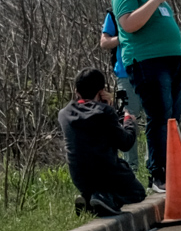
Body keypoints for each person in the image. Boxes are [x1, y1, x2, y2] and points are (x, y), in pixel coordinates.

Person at [111, 0, 181, 193]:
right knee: (159, 117)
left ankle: (174, 168)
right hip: (147, 62)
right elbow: (128, 24)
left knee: (173, 117)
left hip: (172, 58)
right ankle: (158, 173)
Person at [58, 68, 146, 216]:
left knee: (93, 180)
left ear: (76, 91)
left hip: (80, 178)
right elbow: (125, 143)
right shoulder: (104, 112)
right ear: (101, 92)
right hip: (107, 174)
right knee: (138, 192)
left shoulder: (64, 114)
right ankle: (106, 198)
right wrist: (129, 122)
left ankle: (88, 198)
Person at [99, 11, 142, 174]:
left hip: (152, 71)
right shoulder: (115, 14)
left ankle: (155, 164)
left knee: (156, 119)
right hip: (126, 73)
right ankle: (132, 168)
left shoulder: (150, 5)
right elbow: (104, 42)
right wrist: (122, 37)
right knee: (129, 118)